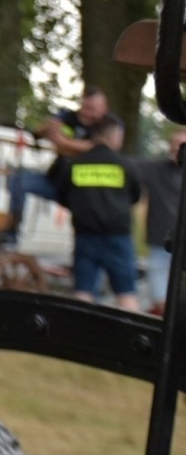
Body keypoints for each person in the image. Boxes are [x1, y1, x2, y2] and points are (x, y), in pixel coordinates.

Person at [48, 115, 142, 309]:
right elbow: (135, 196)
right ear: (114, 136)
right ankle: (128, 338)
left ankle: (81, 336)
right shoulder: (124, 164)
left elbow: (61, 196)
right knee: (126, 293)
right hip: (118, 238)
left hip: (85, 236)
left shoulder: (75, 164)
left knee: (83, 292)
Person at [9, 86, 113, 238]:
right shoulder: (68, 116)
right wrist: (49, 127)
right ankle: (11, 234)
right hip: (55, 181)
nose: (86, 113)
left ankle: (86, 247)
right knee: (18, 181)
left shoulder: (108, 125)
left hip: (83, 188)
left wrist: (63, 143)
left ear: (104, 108)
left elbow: (98, 146)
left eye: (92, 109)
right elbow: (38, 132)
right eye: (84, 107)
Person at [136, 127, 186, 313]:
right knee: (160, 298)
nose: (176, 150)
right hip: (160, 241)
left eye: (182, 146)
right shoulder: (155, 169)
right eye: (174, 145)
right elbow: (127, 166)